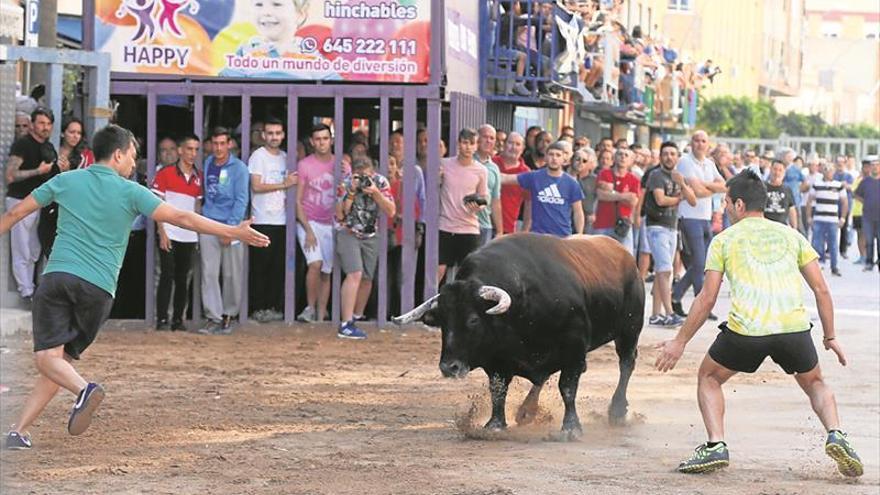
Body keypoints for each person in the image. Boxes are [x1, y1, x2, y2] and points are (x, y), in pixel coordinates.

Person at [0, 124, 269, 450]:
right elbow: (183, 219)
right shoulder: (132, 191)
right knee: (58, 364)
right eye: (132, 155)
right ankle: (20, 430)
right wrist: (233, 231)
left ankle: (85, 390)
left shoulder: (66, 180)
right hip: (99, 291)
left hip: (59, 279)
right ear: (117, 155)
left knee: (48, 360)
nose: (134, 162)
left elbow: (16, 212)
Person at [655, 169, 863, 478]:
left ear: (739, 205)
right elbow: (821, 289)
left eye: (727, 202)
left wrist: (680, 341)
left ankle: (716, 445)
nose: (725, 207)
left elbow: (707, 298)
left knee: (709, 377)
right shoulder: (792, 235)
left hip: (747, 332)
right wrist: (830, 336)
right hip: (793, 330)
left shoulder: (724, 240)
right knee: (815, 382)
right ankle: (836, 433)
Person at [335, 158, 395, 339]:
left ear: (373, 172)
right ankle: (346, 324)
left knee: (367, 278)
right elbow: (340, 214)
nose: (363, 180)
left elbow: (391, 211)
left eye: (366, 176)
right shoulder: (346, 183)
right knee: (355, 274)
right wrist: (351, 192)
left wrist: (376, 193)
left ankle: (356, 317)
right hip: (348, 232)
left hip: (370, 235)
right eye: (360, 177)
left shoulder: (381, 182)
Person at [198, 127, 251, 334]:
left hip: (232, 226)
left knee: (231, 273)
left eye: (222, 143)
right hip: (208, 223)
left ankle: (229, 314)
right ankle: (213, 316)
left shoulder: (239, 168)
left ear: (229, 144)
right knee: (209, 272)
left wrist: (230, 229)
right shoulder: (207, 163)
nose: (218, 148)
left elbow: (241, 199)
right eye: (215, 144)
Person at [671, 130, 726, 319]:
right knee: (700, 262)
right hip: (689, 216)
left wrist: (704, 185)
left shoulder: (709, 163)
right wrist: (710, 187)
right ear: (691, 142)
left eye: (703, 141)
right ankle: (701, 306)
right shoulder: (685, 161)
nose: (700, 144)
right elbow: (697, 191)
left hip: (705, 217)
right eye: (696, 140)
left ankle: (676, 295)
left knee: (702, 263)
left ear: (708, 144)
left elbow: (724, 186)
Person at [248, 117, 297, 323]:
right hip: (261, 220)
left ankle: (272, 308)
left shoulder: (286, 157)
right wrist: (284, 184)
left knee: (277, 269)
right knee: (260, 269)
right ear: (263, 135)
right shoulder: (258, 156)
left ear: (283, 135)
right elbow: (256, 186)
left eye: (278, 133)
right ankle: (257, 308)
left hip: (282, 221)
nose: (274, 137)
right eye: (270, 133)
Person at [5, 107, 56, 305]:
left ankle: (32, 289)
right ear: (33, 124)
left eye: (48, 124)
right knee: (22, 248)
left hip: (39, 203)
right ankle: (26, 291)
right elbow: (10, 175)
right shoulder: (23, 144)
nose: (45, 127)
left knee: (34, 248)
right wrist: (37, 171)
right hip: (20, 200)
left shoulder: (48, 146)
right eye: (41, 123)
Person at [296, 124, 347, 322]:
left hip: (331, 223)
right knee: (315, 264)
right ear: (312, 142)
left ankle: (320, 313)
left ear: (331, 140)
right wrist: (308, 230)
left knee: (327, 271)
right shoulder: (304, 165)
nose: (322, 143)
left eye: (325, 138)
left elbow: (347, 195)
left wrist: (344, 175)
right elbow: (298, 201)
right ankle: (310, 308)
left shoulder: (341, 165)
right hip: (309, 221)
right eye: (317, 139)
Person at [151, 134, 202, 331]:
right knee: (167, 275)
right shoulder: (165, 173)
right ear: (180, 150)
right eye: (189, 149)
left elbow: (197, 208)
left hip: (189, 236)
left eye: (196, 149)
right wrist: (162, 232)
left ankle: (178, 320)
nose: (193, 153)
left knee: (183, 279)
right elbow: (157, 205)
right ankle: (162, 319)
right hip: (170, 233)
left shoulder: (198, 177)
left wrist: (197, 234)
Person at [643, 142, 696, 327]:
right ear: (660, 157)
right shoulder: (656, 175)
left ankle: (655, 315)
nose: (669, 157)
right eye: (665, 154)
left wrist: (681, 183)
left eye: (673, 154)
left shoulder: (680, 176)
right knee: (665, 269)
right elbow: (660, 200)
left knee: (663, 271)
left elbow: (693, 201)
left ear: (678, 157)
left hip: (672, 227)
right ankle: (669, 313)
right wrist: (679, 198)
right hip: (656, 227)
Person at [38, 118, 96, 258]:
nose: (75, 136)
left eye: (79, 133)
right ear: (63, 133)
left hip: (71, 209)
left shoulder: (84, 157)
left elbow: (84, 184)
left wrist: (67, 172)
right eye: (72, 132)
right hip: (48, 204)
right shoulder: (50, 151)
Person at [500, 141, 584, 236]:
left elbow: (578, 212)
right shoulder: (534, 177)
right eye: (551, 154)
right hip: (538, 236)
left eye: (558, 155)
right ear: (545, 158)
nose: (554, 158)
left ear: (564, 159)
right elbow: (505, 178)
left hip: (562, 236)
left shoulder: (572, 183)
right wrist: (487, 169)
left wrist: (579, 234)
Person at [437, 128, 488, 284]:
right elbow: (434, 187)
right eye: (465, 142)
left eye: (472, 143)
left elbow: (484, 198)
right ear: (459, 143)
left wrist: (478, 206)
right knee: (438, 271)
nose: (468, 147)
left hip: (469, 227)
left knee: (467, 274)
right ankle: (432, 298)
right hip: (445, 225)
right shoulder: (444, 164)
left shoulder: (481, 170)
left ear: (476, 146)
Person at [593, 148, 641, 255]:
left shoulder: (634, 180)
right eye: (620, 154)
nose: (623, 157)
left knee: (626, 258)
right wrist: (624, 196)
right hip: (603, 223)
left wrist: (612, 192)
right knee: (599, 257)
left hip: (623, 225)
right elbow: (601, 195)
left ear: (631, 161)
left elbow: (633, 201)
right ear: (614, 158)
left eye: (626, 155)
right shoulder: (604, 174)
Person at [805, 163, 848, 277]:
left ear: (833, 171)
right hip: (818, 219)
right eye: (826, 169)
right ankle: (819, 265)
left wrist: (843, 218)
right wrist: (809, 217)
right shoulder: (817, 184)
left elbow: (845, 202)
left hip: (832, 219)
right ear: (822, 171)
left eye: (830, 169)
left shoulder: (838, 185)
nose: (828, 171)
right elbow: (809, 201)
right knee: (817, 243)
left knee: (833, 244)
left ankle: (834, 267)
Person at [492, 132, 531, 234]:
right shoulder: (491, 163)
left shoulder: (526, 173)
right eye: (510, 143)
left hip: (508, 228)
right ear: (504, 145)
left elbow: (529, 204)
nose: (513, 147)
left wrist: (525, 231)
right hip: (485, 224)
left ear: (523, 148)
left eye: (517, 144)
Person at [475, 124, 503, 245]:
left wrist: (500, 231)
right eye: (485, 137)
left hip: (485, 226)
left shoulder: (494, 168)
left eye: (492, 138)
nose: (488, 141)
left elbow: (495, 201)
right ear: (477, 139)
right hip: (464, 224)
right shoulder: (467, 161)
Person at [854, 157, 880, 271]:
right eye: (872, 165)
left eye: (877, 165)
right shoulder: (865, 181)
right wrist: (866, 201)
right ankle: (869, 263)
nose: (874, 167)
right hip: (867, 216)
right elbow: (856, 194)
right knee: (869, 241)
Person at [763, 159, 798, 228]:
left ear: (784, 173)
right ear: (770, 170)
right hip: (765, 227)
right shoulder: (762, 187)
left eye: (780, 170)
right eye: (775, 169)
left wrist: (794, 228)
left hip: (782, 228)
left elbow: (792, 210)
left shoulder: (787, 190)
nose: (777, 173)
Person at [574, 148, 598, 233]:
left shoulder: (595, 180)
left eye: (584, 161)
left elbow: (598, 199)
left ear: (591, 164)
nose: (580, 163)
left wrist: (594, 213)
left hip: (587, 220)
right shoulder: (567, 177)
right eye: (578, 159)